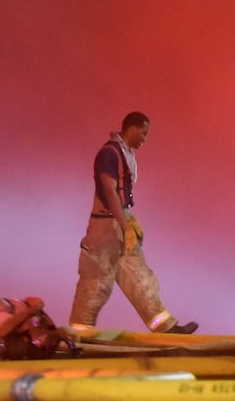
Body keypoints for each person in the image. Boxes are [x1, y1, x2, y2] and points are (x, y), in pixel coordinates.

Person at [68, 112, 197, 335]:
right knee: (96, 281)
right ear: (132, 128)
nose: (144, 139)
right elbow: (109, 191)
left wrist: (128, 221)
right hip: (104, 227)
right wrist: (125, 224)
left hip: (118, 223)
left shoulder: (124, 154)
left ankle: (165, 327)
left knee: (139, 277)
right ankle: (79, 333)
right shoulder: (109, 153)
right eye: (144, 133)